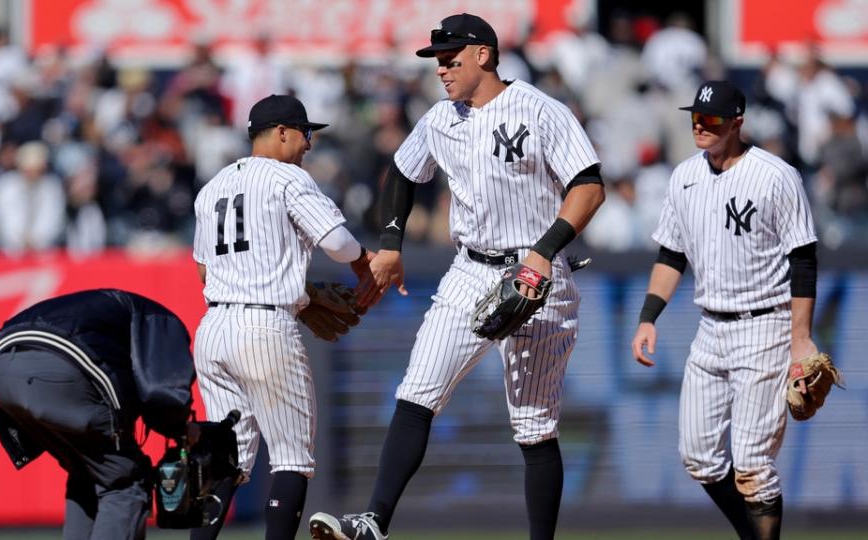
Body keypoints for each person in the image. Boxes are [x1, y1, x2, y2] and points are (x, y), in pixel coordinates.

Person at [310, 13, 606, 540]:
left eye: (451, 58)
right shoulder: (440, 118)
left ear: (484, 55)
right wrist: (392, 243)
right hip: (470, 267)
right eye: (437, 60)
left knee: (535, 427)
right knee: (417, 391)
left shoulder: (540, 110)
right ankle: (375, 521)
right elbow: (402, 171)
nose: (442, 69)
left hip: (537, 275)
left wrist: (543, 252)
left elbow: (588, 187)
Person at [630, 81, 819, 540]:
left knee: (753, 465)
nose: (700, 124)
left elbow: (803, 258)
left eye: (711, 118)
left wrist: (800, 338)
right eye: (695, 116)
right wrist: (648, 317)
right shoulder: (684, 176)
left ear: (737, 122)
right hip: (710, 328)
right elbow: (672, 255)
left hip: (765, 326)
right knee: (699, 457)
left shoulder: (775, 175)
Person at [190, 94, 375, 540]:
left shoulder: (212, 186)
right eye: (306, 133)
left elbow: (202, 269)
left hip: (214, 328)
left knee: (226, 456)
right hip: (264, 327)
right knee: (292, 459)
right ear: (282, 133)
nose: (310, 144)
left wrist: (297, 293)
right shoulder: (287, 178)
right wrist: (367, 263)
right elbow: (338, 243)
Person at [0, 288, 204, 540]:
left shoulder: (118, 309)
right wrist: (181, 429)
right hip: (60, 364)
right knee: (126, 480)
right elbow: (160, 390)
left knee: (90, 472)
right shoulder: (161, 321)